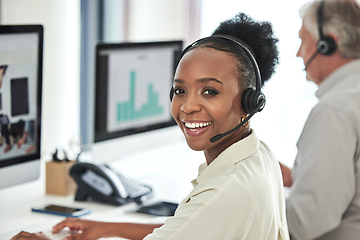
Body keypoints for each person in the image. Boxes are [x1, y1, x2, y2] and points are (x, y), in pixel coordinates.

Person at [12, 12, 289, 240]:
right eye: (180, 91)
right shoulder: (258, 155)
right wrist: (107, 228)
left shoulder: (225, 192)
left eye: (209, 92)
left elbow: (200, 219)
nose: (188, 106)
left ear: (250, 103)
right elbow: (186, 228)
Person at [279, 0, 360, 239]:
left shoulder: (334, 110)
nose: (298, 53)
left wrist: (245, 212)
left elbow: (306, 222)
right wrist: (298, 176)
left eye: (303, 41)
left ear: (327, 44)